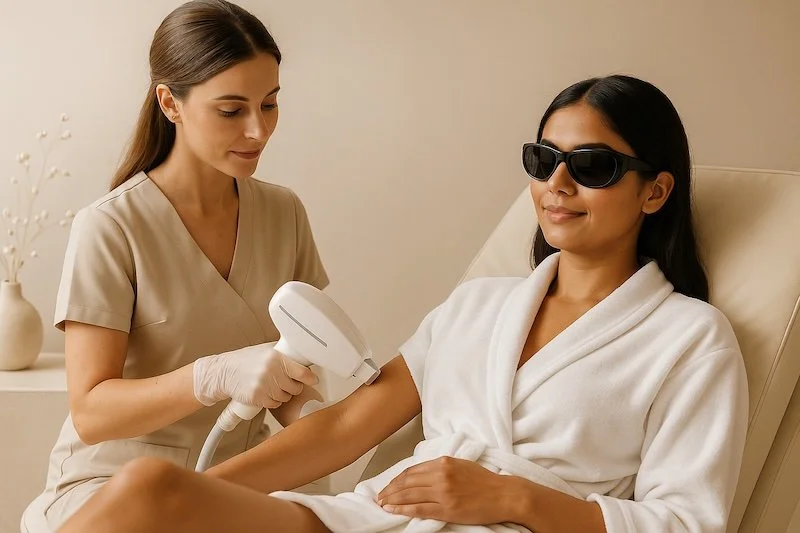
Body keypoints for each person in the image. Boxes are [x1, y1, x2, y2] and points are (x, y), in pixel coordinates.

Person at [57, 75, 749, 533]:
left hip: (514, 524)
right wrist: (216, 493)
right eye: (543, 160)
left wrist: (510, 498)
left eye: (592, 166)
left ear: (654, 191)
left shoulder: (691, 338)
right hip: (379, 516)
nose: (557, 184)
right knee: (150, 490)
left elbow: (688, 520)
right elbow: (342, 429)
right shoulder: (479, 305)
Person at [24, 0, 329, 529]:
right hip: (113, 486)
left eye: (271, 104)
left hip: (240, 479)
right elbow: (92, 412)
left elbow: (292, 378)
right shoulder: (111, 227)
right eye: (232, 110)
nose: (258, 130)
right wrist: (211, 376)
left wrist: (328, 423)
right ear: (170, 103)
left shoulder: (285, 214)